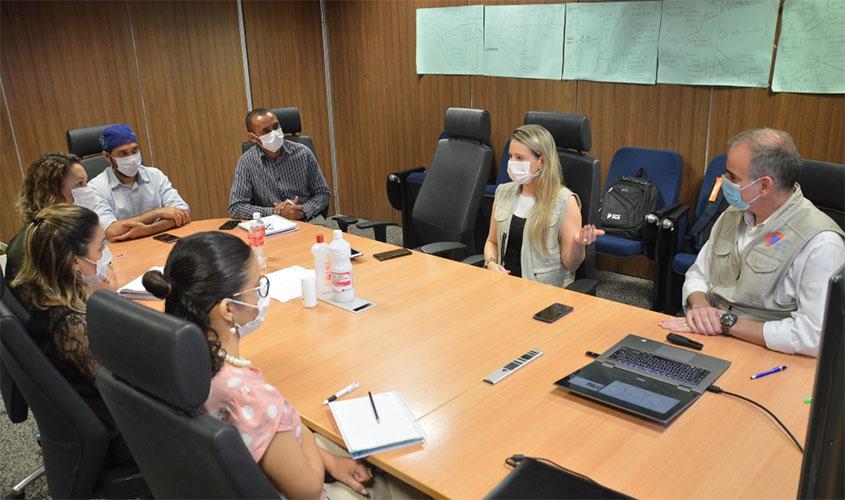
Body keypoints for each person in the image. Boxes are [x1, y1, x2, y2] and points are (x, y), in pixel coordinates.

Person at [142, 232, 415, 499]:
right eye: (256, 286)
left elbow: (264, 442)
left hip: (246, 476)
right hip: (304, 488)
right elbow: (307, 489)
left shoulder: (180, 361)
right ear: (228, 309)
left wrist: (327, 459)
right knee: (406, 480)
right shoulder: (249, 396)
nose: (261, 294)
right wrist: (297, 424)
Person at [660, 128, 845, 357]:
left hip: (767, 353)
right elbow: (699, 272)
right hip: (709, 337)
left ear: (765, 186)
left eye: (733, 177)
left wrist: (728, 323)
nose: (724, 182)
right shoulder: (732, 214)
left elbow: (813, 335)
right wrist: (699, 305)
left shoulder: (821, 243)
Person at [10, 204, 133, 465]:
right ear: (74, 261)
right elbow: (124, 388)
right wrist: (113, 303)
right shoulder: (70, 325)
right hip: (121, 434)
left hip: (101, 412)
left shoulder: (49, 296)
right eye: (100, 248)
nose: (106, 255)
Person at [482, 124, 603, 287]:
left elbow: (571, 265)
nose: (511, 163)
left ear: (542, 161)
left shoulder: (565, 201)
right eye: (510, 156)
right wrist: (490, 263)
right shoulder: (503, 192)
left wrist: (579, 244)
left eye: (520, 158)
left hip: (542, 292)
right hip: (504, 286)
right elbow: (492, 242)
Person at [88, 124, 191, 241]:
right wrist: (158, 213)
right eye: (123, 153)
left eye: (134, 150)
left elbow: (183, 213)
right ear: (107, 156)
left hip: (156, 246)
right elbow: (112, 231)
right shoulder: (96, 188)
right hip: (121, 254)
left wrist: (148, 230)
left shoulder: (155, 175)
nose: (131, 158)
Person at [6, 152, 94, 285]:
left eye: (86, 182)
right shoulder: (50, 238)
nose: (88, 190)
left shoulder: (40, 227)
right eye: (79, 184)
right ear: (52, 193)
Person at [228, 108, 330, 221]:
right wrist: (275, 212)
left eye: (276, 127)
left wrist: (301, 212)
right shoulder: (246, 162)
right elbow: (236, 207)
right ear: (253, 138)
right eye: (266, 131)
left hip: (307, 220)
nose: (274, 133)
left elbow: (323, 193)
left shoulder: (303, 153)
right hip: (271, 225)